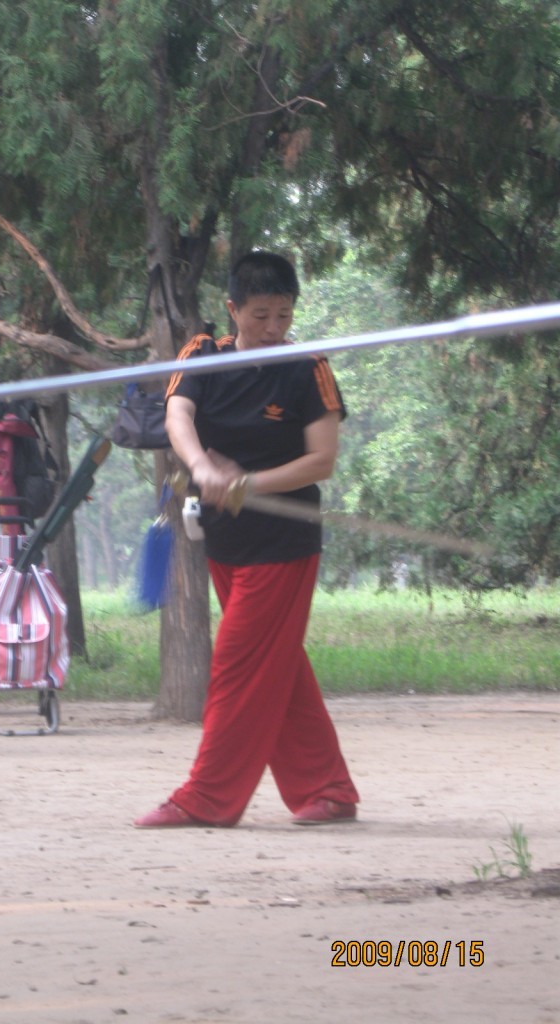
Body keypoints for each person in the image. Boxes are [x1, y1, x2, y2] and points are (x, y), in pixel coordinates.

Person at [134, 250, 359, 828]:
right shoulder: (201, 355)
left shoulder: (308, 366)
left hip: (285, 541)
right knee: (275, 664)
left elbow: (321, 461)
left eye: (284, 315)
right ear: (232, 309)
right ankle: (329, 789)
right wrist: (202, 467)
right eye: (260, 315)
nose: (273, 328)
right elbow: (178, 416)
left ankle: (206, 797)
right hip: (225, 540)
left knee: (239, 665)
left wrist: (248, 482)